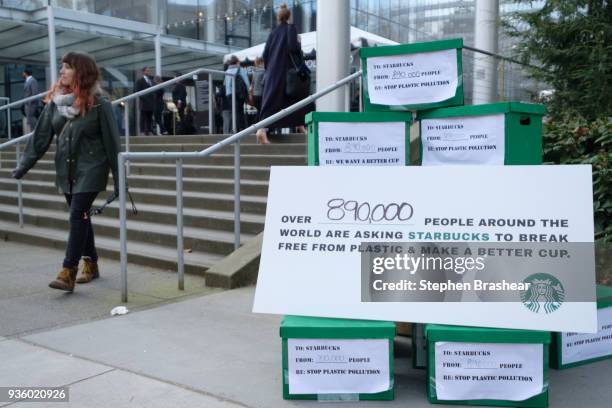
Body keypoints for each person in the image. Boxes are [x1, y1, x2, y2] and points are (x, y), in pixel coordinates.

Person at [11, 52, 120, 292]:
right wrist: (23, 166)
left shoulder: (100, 103)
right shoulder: (56, 103)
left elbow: (113, 143)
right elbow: (40, 138)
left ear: (81, 72)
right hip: (66, 169)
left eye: (67, 67)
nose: (61, 72)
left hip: (92, 169)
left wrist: (121, 181)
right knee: (81, 217)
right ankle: (91, 263)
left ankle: (68, 271)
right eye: (61, 68)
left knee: (77, 214)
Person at [256, 3, 311, 144]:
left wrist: (270, 69)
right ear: (289, 17)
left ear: (278, 17)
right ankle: (262, 130)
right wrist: (299, 43)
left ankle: (299, 126)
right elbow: (293, 48)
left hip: (273, 74)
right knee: (297, 99)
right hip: (286, 74)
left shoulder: (273, 32)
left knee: (273, 103)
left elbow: (265, 54)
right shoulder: (291, 29)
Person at [223, 55, 250, 134]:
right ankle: (241, 128)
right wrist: (248, 92)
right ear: (237, 62)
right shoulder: (240, 69)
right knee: (240, 111)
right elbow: (246, 82)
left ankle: (233, 129)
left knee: (233, 111)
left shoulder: (227, 71)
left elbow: (225, 84)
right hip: (238, 93)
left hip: (229, 94)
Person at [135, 67, 155, 135]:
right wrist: (145, 98)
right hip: (144, 103)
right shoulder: (140, 81)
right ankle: (142, 131)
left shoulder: (151, 81)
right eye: (147, 71)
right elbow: (138, 92)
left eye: (149, 71)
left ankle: (149, 131)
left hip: (151, 103)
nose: (148, 72)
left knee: (149, 118)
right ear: (143, 72)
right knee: (143, 118)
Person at [22, 68, 39, 133]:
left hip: (31, 104)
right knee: (29, 119)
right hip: (27, 104)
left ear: (25, 73)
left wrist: (29, 102)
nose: (22, 74)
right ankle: (33, 133)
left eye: (23, 73)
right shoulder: (27, 81)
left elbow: (34, 92)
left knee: (31, 118)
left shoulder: (32, 80)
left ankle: (36, 132)